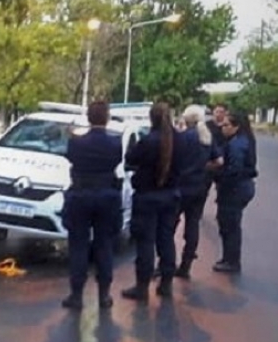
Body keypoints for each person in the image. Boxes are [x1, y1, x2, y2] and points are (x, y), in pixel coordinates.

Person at [121, 102, 187, 302]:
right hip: (170, 196)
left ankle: (142, 287)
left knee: (145, 243)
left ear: (152, 118)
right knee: (166, 240)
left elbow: (130, 158)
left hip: (147, 197)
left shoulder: (149, 141)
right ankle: (165, 284)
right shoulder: (179, 141)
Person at [61, 101, 123, 310]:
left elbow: (70, 157)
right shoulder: (116, 143)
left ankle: (76, 295)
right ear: (106, 118)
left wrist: (73, 135)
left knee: (78, 245)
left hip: (80, 195)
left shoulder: (76, 143)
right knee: (104, 245)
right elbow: (115, 162)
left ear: (88, 118)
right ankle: (104, 295)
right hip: (107, 196)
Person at [174, 104, 222, 278]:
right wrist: (203, 166)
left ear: (187, 119)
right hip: (200, 187)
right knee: (192, 224)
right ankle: (186, 265)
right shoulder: (207, 138)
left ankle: (168, 263)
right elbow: (219, 161)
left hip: (180, 187)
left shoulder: (182, 138)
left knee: (169, 225)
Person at [213, 110, 258, 273]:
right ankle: (229, 258)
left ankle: (231, 261)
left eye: (226, 125)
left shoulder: (237, 145)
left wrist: (219, 177)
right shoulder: (243, 140)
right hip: (241, 187)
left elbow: (234, 171)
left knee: (229, 225)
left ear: (236, 126)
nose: (222, 128)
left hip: (235, 189)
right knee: (230, 224)